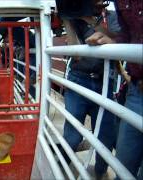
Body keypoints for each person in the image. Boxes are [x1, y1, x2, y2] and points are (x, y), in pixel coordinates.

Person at [55, 0, 121, 177]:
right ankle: (60, 168)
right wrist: (68, 19)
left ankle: (100, 173)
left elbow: (117, 40)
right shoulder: (74, 17)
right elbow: (73, 53)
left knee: (106, 137)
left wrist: (91, 20)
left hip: (104, 83)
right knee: (73, 136)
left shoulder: (113, 17)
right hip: (79, 80)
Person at [86, 0, 143, 179]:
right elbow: (126, 36)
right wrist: (113, 42)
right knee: (122, 165)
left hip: (126, 84)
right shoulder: (120, 3)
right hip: (137, 88)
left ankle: (101, 170)